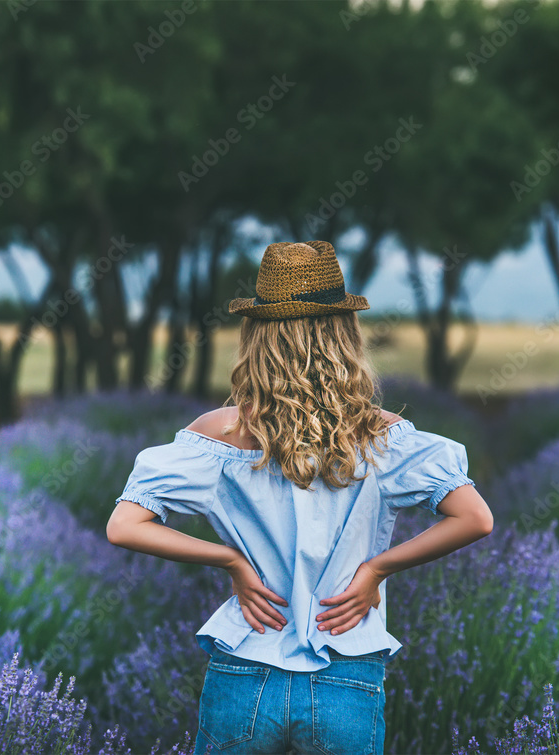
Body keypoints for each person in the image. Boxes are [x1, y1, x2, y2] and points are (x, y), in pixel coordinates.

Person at [106, 240, 494, 754]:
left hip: (246, 664)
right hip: (347, 664)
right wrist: (375, 571)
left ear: (255, 338)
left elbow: (124, 526)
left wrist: (230, 560)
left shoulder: (219, 435)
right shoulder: (381, 437)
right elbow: (474, 518)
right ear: (345, 335)